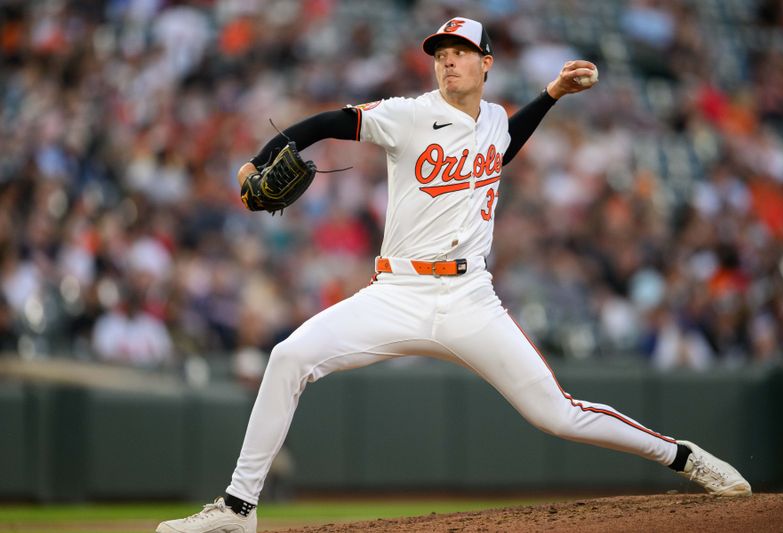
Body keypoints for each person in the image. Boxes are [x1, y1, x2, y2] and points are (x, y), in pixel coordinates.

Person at [157, 17, 751, 533]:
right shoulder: (410, 115)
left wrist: (552, 94)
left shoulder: (493, 118)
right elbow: (328, 123)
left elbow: (504, 144)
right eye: (440, 54)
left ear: (486, 64)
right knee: (288, 357)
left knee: (556, 413)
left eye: (460, 53)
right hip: (397, 291)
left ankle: (683, 456)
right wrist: (260, 160)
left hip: (469, 297)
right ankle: (238, 508)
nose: (447, 61)